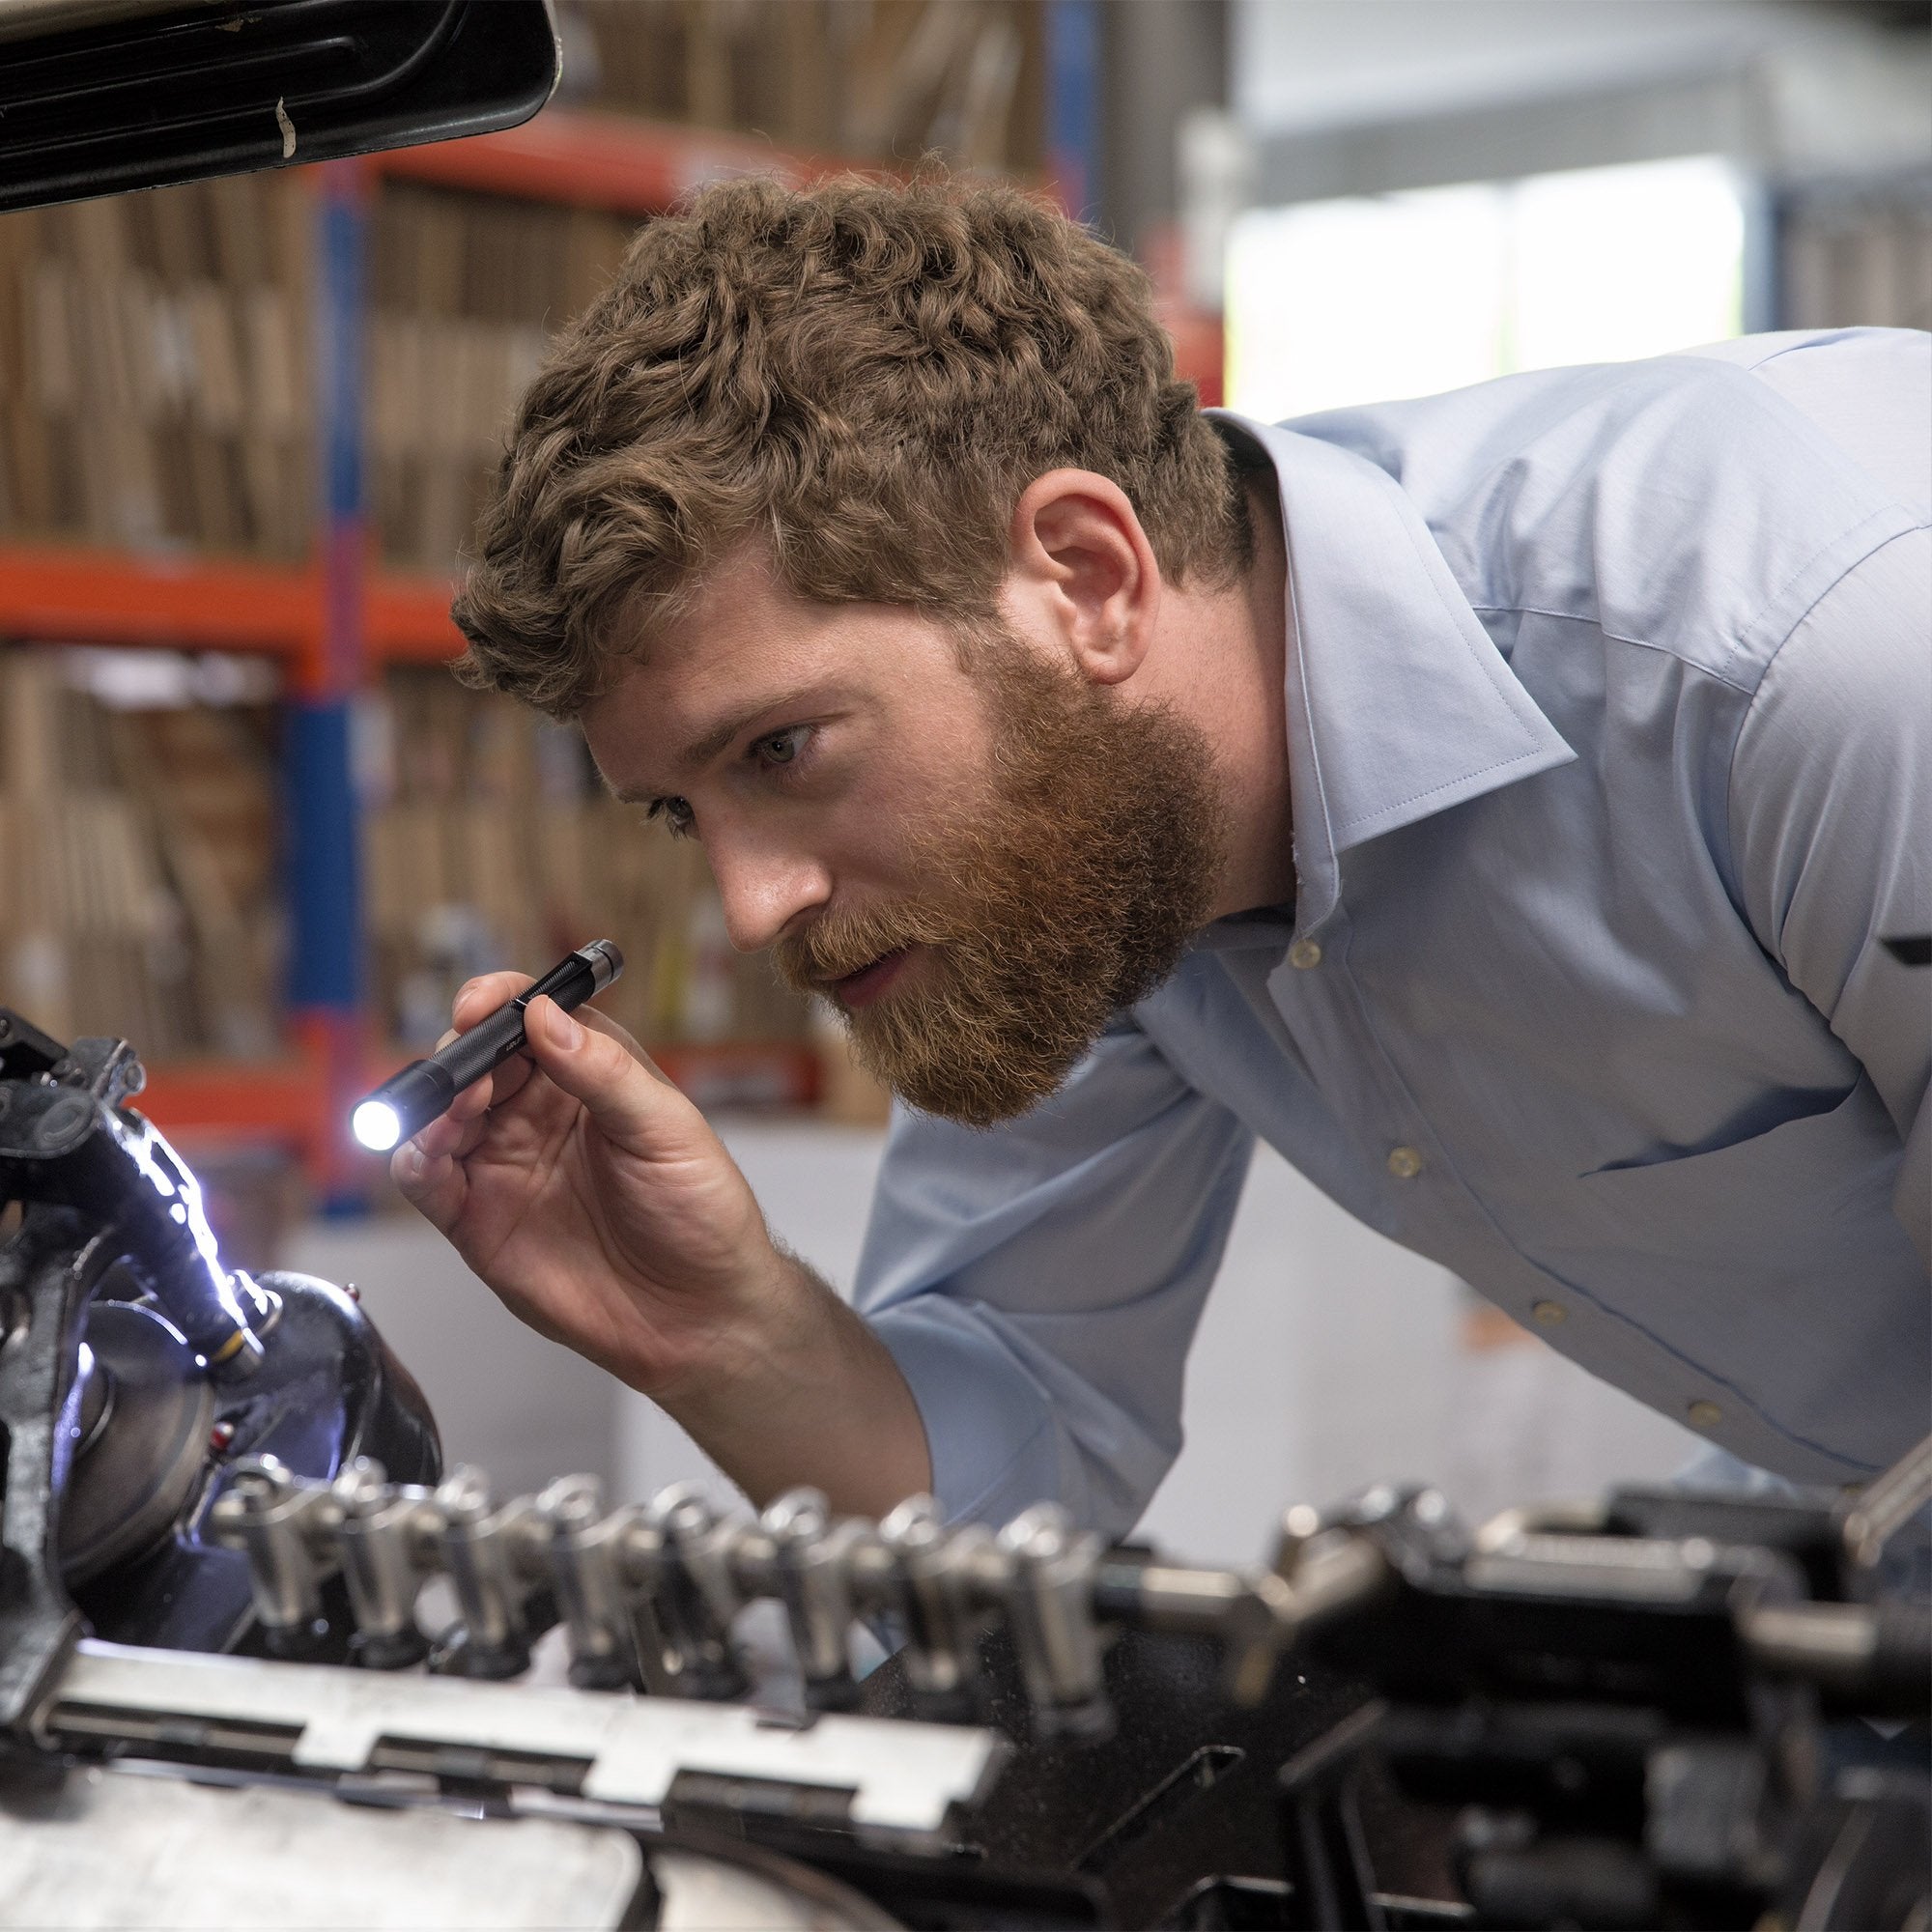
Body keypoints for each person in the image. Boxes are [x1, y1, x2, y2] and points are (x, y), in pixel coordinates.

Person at [394, 173, 1931, 1537]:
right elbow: (1023, 1456)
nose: (749, 905)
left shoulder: (1813, 659)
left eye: (781, 750)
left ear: (1086, 576)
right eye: (681, 810)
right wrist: (721, 1333)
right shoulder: (1091, 847)